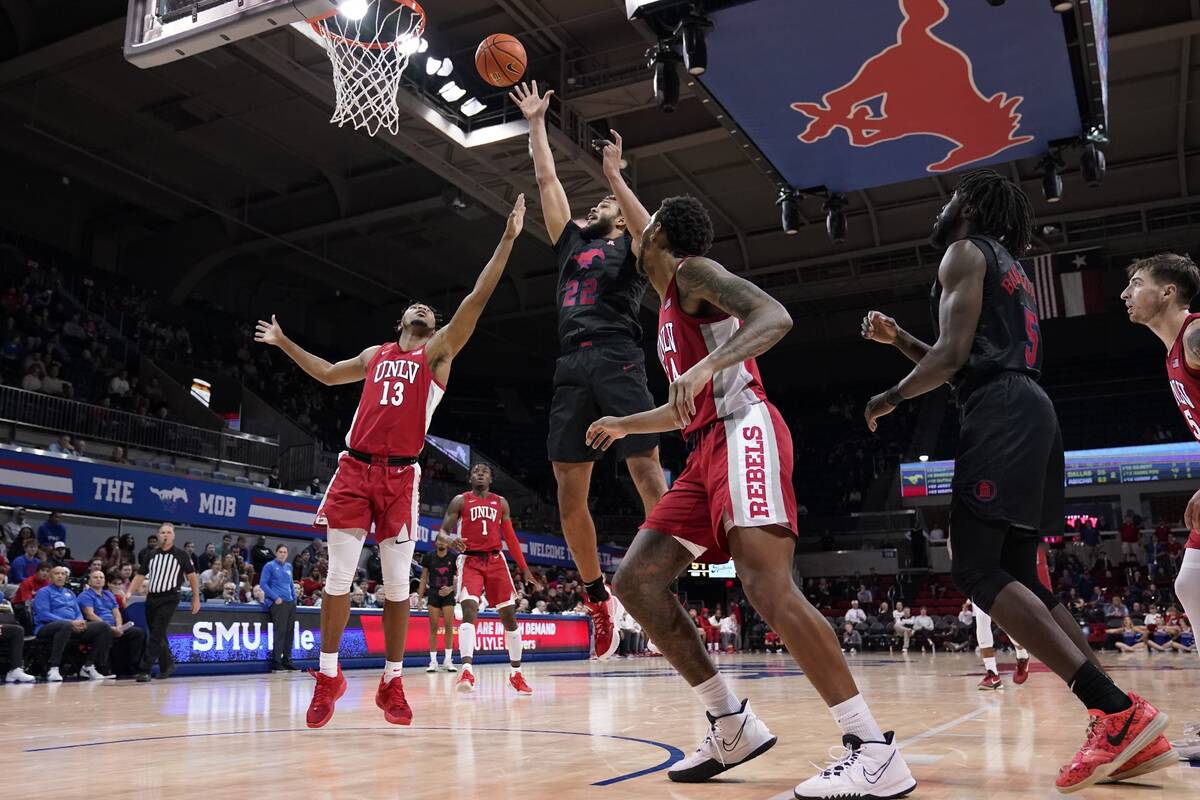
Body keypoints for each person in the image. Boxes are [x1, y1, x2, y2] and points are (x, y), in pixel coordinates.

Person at [585, 195, 914, 797]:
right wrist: (626, 425)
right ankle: (730, 723)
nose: (634, 232)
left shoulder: (693, 272)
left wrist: (706, 366)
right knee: (635, 581)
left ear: (659, 236)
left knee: (767, 587)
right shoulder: (665, 300)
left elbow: (775, 317)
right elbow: (685, 403)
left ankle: (871, 748)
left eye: (644, 224)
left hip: (745, 430)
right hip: (704, 448)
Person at [863, 169, 1169, 791]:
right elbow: (963, 358)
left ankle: (1114, 712)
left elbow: (952, 361)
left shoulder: (962, 252)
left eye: (950, 198)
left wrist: (891, 396)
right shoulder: (1007, 265)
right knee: (1023, 573)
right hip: (1030, 406)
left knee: (974, 567)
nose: (941, 209)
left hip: (1000, 412)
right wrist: (901, 341)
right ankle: (1119, 716)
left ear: (970, 208)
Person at [255, 195, 526, 729]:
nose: (425, 310)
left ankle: (392, 680)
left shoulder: (438, 353)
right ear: (401, 319)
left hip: (401, 476)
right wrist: (285, 341)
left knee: (399, 587)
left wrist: (509, 240)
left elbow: (476, 299)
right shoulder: (374, 355)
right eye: (416, 307)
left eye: (432, 310)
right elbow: (329, 374)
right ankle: (328, 674)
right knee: (337, 577)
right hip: (354, 469)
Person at [510, 82, 667, 660]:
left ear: (619, 221)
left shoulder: (633, 248)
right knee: (567, 490)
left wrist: (614, 176)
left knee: (645, 467)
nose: (593, 208)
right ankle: (596, 598)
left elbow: (647, 227)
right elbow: (548, 181)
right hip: (572, 363)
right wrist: (535, 123)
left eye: (603, 207)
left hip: (617, 352)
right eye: (595, 205)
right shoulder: (570, 244)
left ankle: (663, 567)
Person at [1119, 252, 1200, 760]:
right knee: (1190, 582)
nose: (1126, 293)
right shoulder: (1173, 351)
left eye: (1136, 283)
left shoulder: (1195, 335)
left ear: (1167, 292)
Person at [442, 463, 541, 694]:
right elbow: (442, 532)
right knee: (469, 610)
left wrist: (525, 569)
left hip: (496, 561)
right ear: (470, 479)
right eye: (475, 471)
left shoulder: (501, 502)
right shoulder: (460, 500)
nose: (479, 473)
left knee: (509, 618)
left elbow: (511, 538)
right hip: (470, 561)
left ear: (490, 479)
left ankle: (516, 674)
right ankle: (466, 670)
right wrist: (449, 541)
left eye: (484, 471)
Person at [127, 523, 200, 682]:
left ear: (173, 535)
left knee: (156, 633)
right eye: (162, 532)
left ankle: (144, 670)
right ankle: (167, 665)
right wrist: (129, 592)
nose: (165, 535)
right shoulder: (151, 554)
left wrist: (196, 597)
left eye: (168, 532)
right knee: (156, 633)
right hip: (152, 597)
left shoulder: (181, 555)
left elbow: (192, 576)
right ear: (158, 535)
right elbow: (140, 575)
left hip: (170, 598)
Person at [32, 566, 113, 681]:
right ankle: (53, 668)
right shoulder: (44, 592)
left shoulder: (70, 593)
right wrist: (71, 622)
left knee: (103, 626)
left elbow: (78, 612)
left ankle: (88, 666)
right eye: (56, 573)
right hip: (46, 627)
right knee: (65, 625)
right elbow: (43, 614)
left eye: (63, 574)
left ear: (66, 577)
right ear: (50, 578)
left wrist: (79, 622)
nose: (60, 576)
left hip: (71, 626)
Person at [78, 568, 145, 677]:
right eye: (95, 577)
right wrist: (109, 627)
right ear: (89, 581)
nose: (99, 579)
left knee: (137, 632)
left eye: (101, 577)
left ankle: (133, 668)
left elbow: (117, 613)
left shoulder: (109, 594)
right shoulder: (85, 595)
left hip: (114, 626)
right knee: (104, 629)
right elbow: (89, 614)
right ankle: (102, 668)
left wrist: (118, 627)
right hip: (97, 627)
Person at [417, 532, 458, 673]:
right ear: (435, 543)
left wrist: (451, 589)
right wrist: (420, 598)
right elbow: (423, 578)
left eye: (444, 541)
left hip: (448, 595)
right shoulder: (429, 556)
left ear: (448, 543)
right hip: (433, 594)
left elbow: (459, 578)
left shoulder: (454, 557)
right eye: (439, 540)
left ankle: (448, 660)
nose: (441, 543)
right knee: (433, 628)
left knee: (449, 627)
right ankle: (433, 661)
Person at [260, 544, 297, 671]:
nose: (282, 554)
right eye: (280, 551)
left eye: (285, 552)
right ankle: (276, 662)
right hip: (278, 604)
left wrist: (294, 599)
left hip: (290, 603)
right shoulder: (269, 566)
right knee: (280, 632)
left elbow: (291, 584)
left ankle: (287, 660)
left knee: (289, 633)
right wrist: (275, 597)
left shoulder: (289, 566)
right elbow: (263, 584)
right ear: (276, 553)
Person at [0, 595, 35, 682]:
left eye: (1, 580)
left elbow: (10, 619)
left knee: (17, 630)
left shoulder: (3, 599)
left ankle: (15, 670)